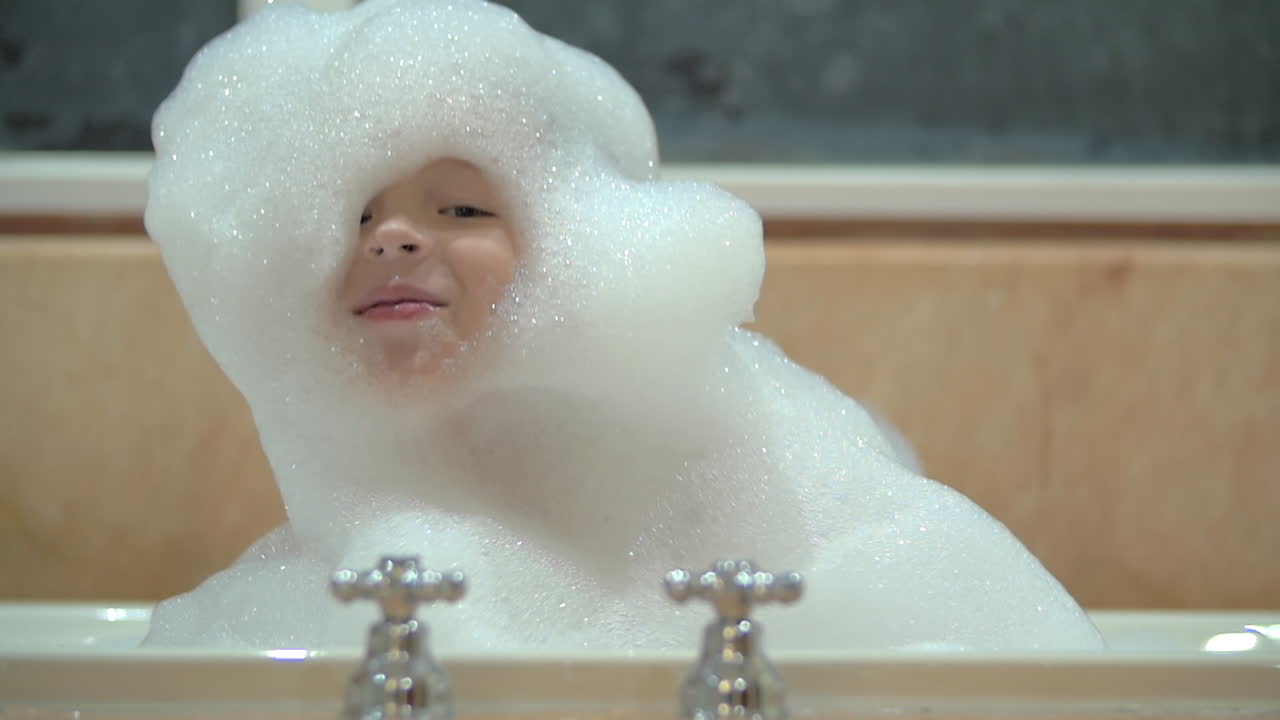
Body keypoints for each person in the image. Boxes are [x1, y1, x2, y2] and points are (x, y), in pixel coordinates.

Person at [144, 0, 1104, 651]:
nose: (395, 239)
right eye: (352, 216)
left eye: (463, 210)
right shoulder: (367, 565)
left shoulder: (766, 475)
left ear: (567, 249)